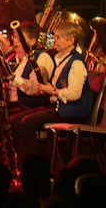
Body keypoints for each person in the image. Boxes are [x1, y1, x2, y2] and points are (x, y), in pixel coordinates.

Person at [13, 21, 94, 163]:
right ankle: (18, 164)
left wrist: (53, 91)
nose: (54, 40)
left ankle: (32, 167)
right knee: (14, 121)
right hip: (59, 108)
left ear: (71, 40)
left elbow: (74, 94)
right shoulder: (61, 61)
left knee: (28, 123)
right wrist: (47, 89)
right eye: (55, 36)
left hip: (72, 112)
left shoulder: (76, 63)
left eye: (58, 37)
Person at [6, 21, 55, 115]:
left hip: (30, 108)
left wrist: (14, 79)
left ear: (33, 41)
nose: (15, 41)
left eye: (20, 38)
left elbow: (36, 88)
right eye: (15, 37)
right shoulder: (11, 58)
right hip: (11, 105)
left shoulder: (41, 58)